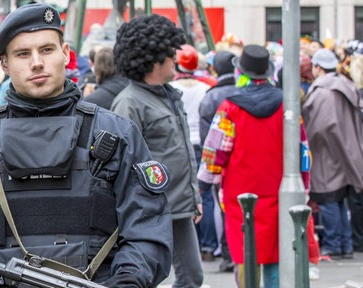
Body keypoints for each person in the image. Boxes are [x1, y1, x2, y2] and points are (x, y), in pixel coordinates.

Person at [0, 3, 172, 287]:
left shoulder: (117, 133)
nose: (36, 62)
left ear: (65, 53)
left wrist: (127, 281)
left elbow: (148, 226)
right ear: (4, 64)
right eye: (22, 54)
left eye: (46, 50)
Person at [198, 44, 320, 288]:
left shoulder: (229, 108)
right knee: (277, 254)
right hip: (279, 194)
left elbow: (214, 155)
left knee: (246, 255)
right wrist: (304, 189)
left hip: (240, 198)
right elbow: (302, 152)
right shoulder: (288, 107)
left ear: (241, 72)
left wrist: (202, 187)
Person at [111, 14, 202, 288]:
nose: (176, 59)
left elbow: (183, 150)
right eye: (170, 54)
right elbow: (121, 165)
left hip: (179, 208)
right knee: (144, 279)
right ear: (154, 60)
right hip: (147, 212)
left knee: (192, 277)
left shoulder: (169, 95)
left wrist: (193, 194)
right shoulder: (128, 103)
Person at [304, 48, 363, 260]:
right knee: (340, 200)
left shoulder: (323, 92)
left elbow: (317, 127)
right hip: (345, 151)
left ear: (318, 67)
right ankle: (345, 243)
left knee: (329, 198)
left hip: (327, 153)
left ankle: (334, 243)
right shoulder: (345, 86)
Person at [197, 50, 237, 270]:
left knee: (224, 208)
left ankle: (228, 254)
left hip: (220, 162)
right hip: (242, 160)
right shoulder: (242, 91)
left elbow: (208, 138)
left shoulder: (211, 96)